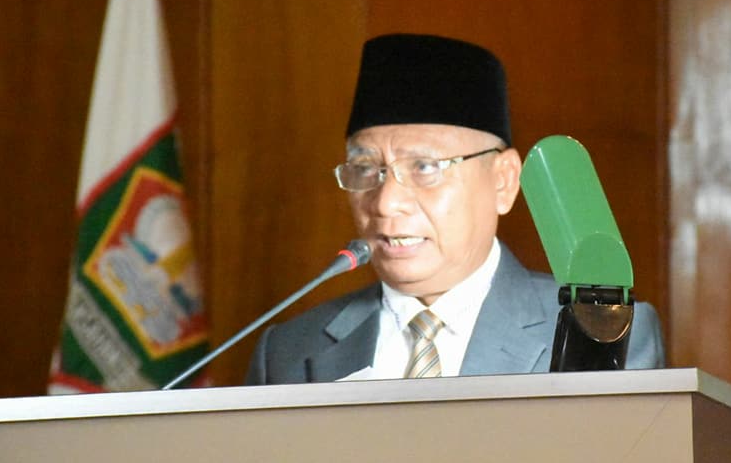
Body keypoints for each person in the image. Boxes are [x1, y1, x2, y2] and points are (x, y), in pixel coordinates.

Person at [245, 33, 664, 384]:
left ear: (503, 181)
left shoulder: (600, 329)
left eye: (425, 167)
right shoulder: (287, 351)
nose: (386, 203)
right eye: (366, 169)